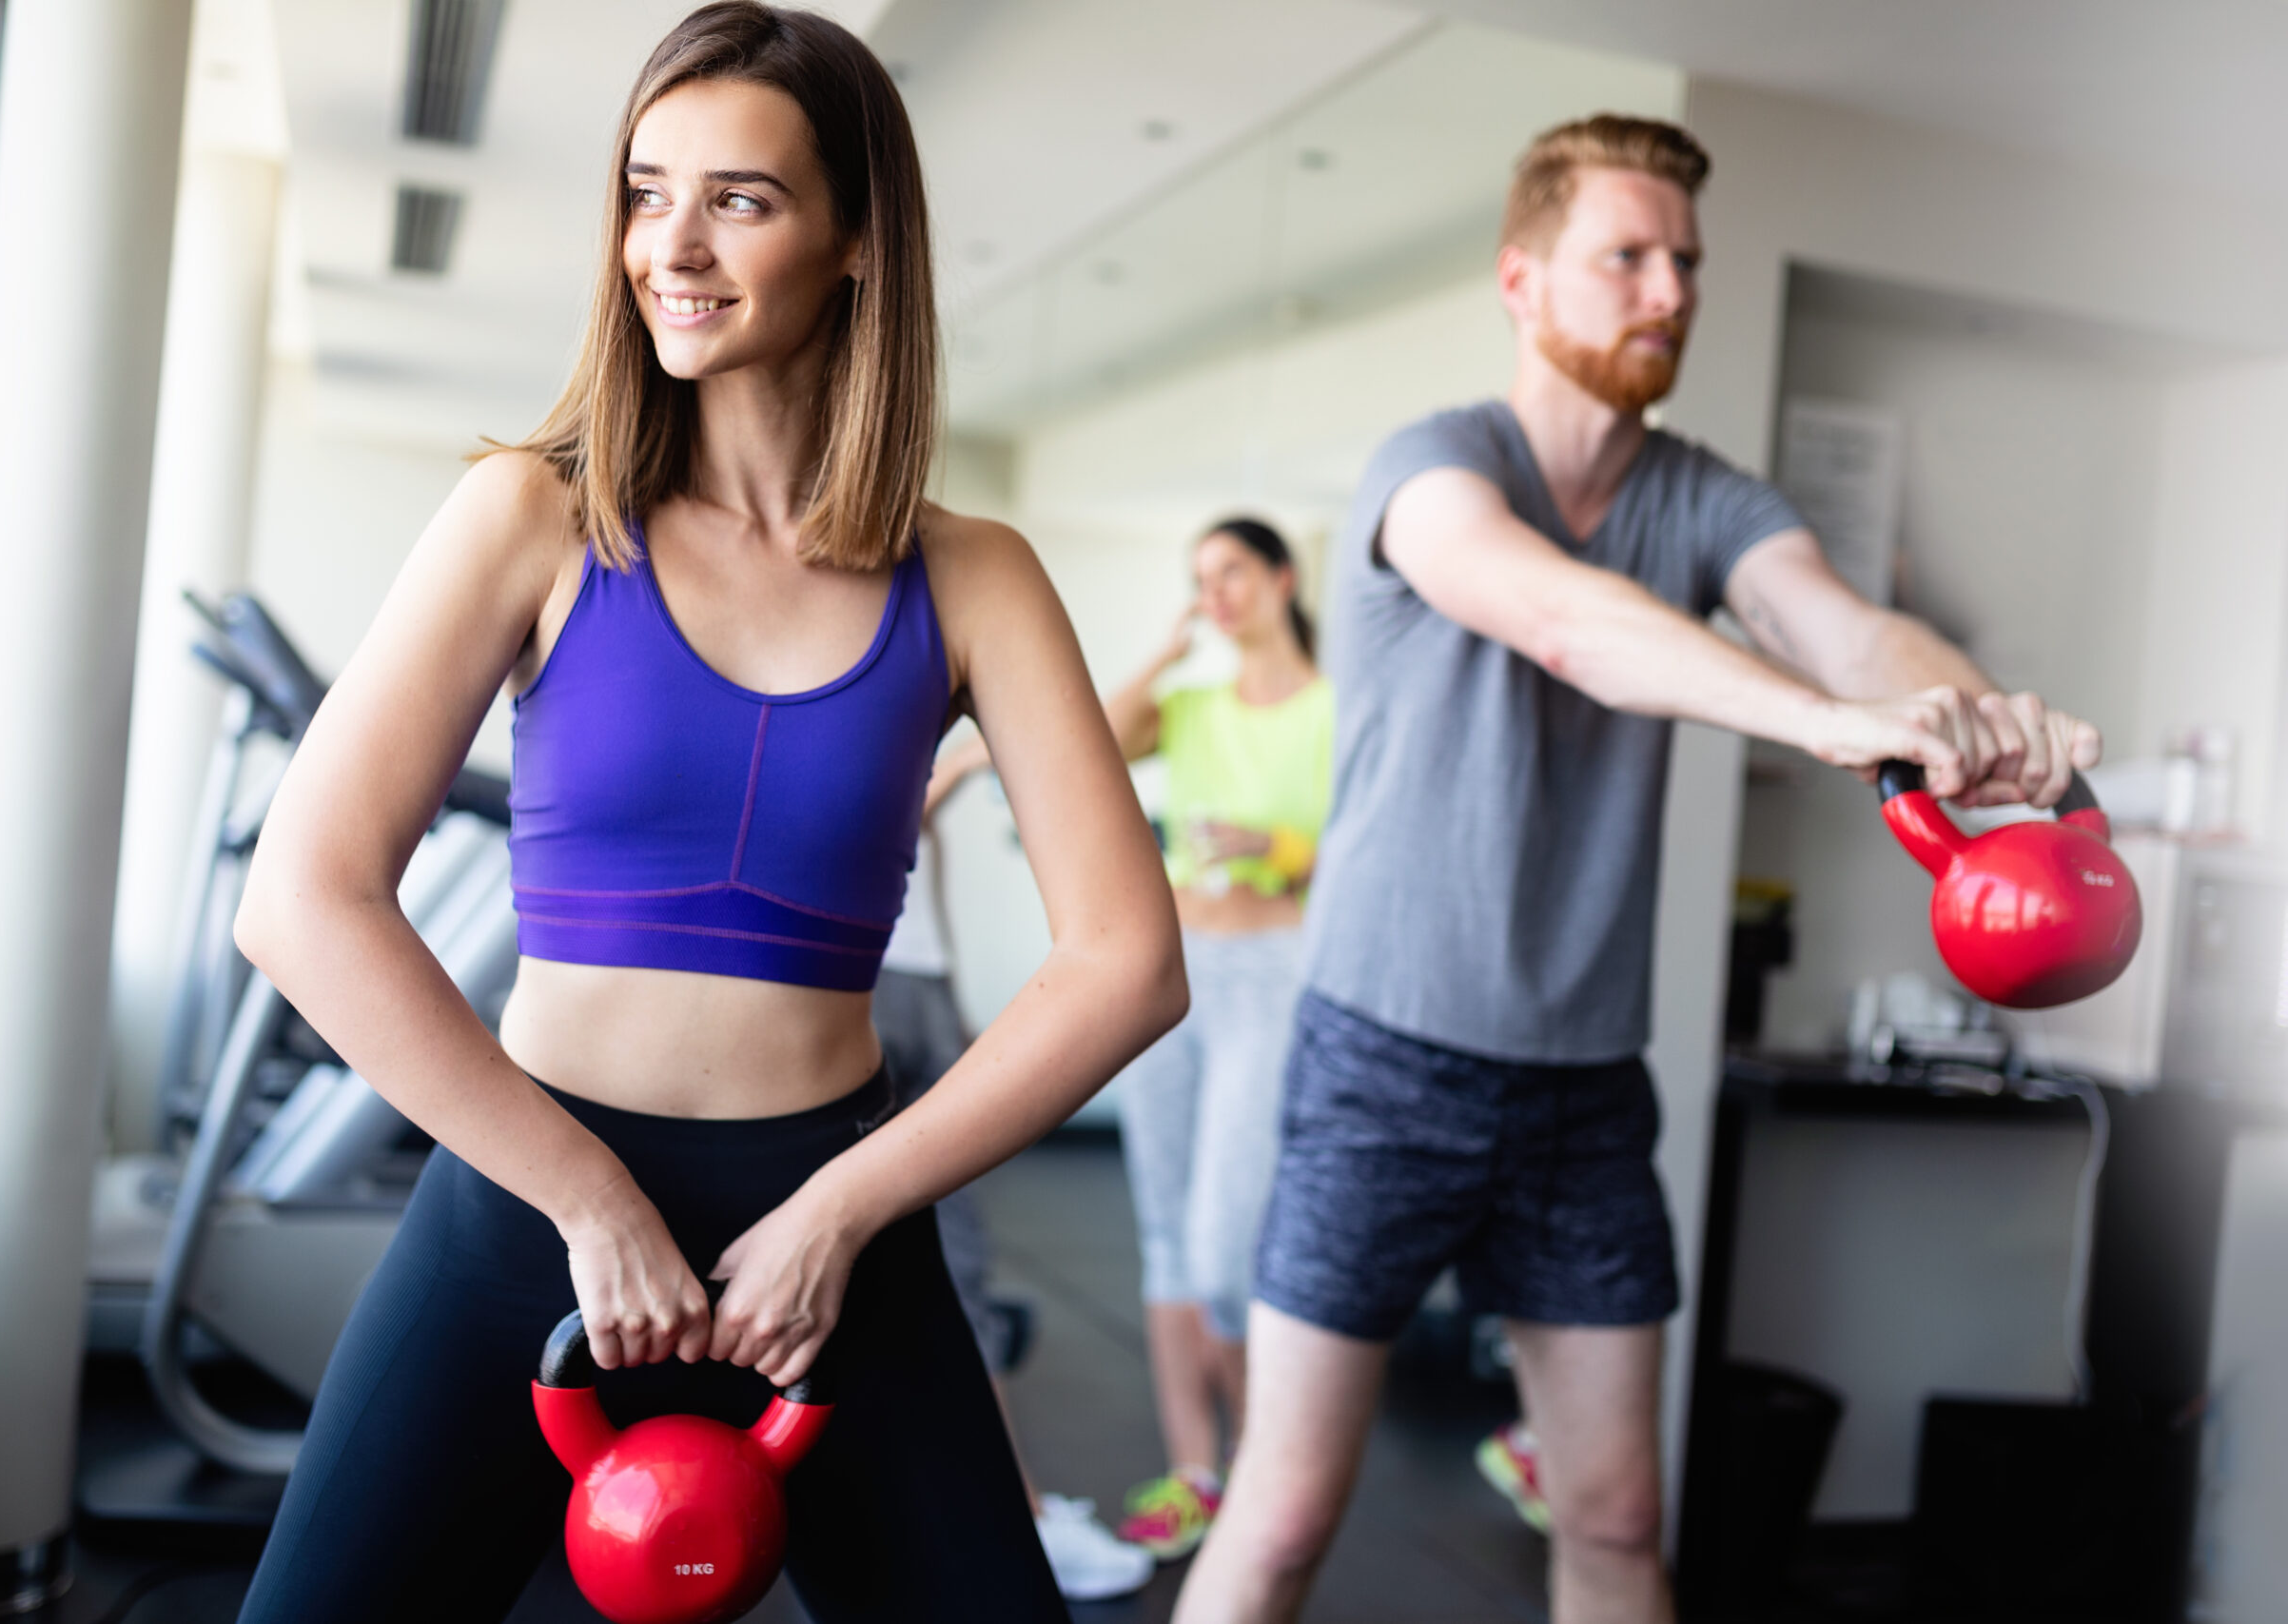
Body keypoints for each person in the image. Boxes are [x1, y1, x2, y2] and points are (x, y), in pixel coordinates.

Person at [227, 9, 1183, 1621]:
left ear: (859, 240)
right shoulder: (532, 514)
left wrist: (843, 1214)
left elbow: (1124, 960)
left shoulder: (975, 578)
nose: (670, 244)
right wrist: (589, 1199)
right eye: (644, 189)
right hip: (528, 1215)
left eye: (739, 198)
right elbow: (304, 896)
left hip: (825, 1234)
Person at [1174, 114, 2102, 1624]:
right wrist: (1825, 720)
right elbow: (1564, 622)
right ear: (1523, 281)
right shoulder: (1435, 467)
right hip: (1381, 1067)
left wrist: (1970, 715)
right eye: (1628, 256)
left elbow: (1842, 626)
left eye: (1686, 261)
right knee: (1282, 1516)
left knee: (1613, 1513)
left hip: (1582, 1089)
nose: (1669, 287)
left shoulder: (1706, 497)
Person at [1097, 519, 1334, 1560]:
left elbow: (1364, 849)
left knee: (1222, 1244)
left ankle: (1261, 1472)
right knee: (1164, 1236)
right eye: (1201, 579)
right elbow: (1090, 743)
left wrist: (1274, 846)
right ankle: (1195, 1469)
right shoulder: (1186, 707)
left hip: (1274, 974)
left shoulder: (1339, 709)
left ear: (1282, 578)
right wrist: (1165, 648)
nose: (1218, 591)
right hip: (1172, 973)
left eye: (1232, 570)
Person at [872, 743, 1158, 1601]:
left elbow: (923, 868)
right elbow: (879, 817)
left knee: (956, 1264)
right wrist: (951, 772)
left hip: (917, 989)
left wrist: (952, 992)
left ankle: (1014, 1510)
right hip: (858, 991)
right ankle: (992, 1514)